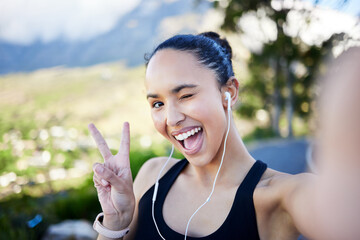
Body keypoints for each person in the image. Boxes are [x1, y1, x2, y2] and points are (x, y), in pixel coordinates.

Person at [89, 32, 360, 240]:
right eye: (157, 104)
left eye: (185, 95)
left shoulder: (282, 196)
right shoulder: (152, 177)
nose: (171, 119)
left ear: (228, 92)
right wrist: (117, 220)